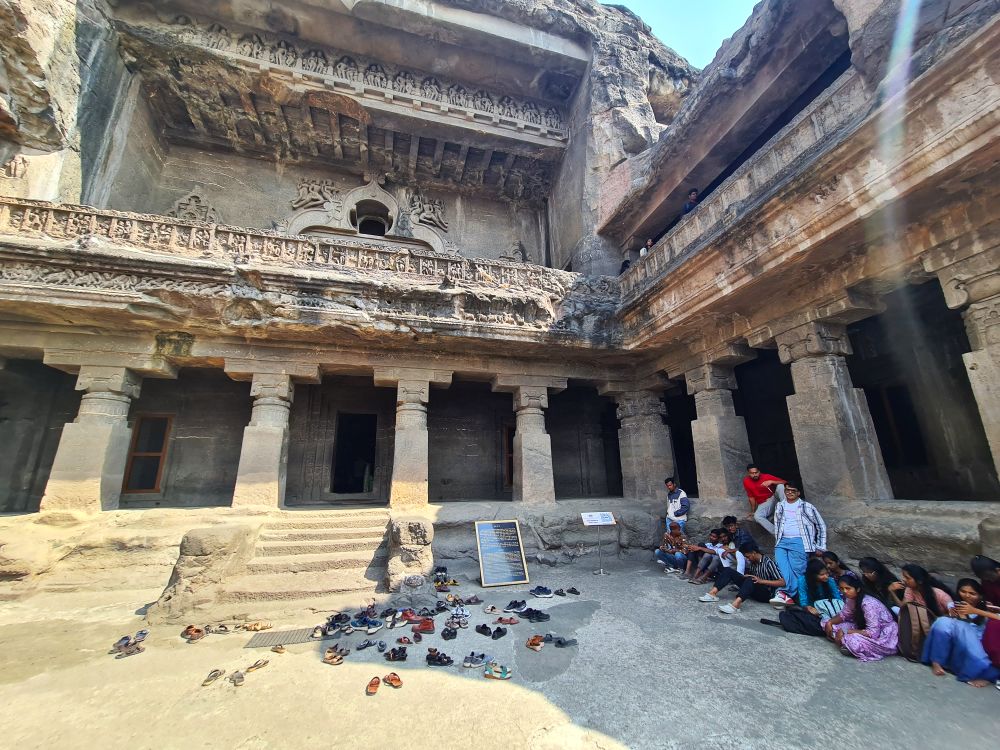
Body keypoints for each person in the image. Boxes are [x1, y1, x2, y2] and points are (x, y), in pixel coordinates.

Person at [922, 578, 1000, 687]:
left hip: (977, 642)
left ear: (980, 596)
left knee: (960, 626)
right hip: (959, 639)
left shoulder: (986, 609)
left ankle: (981, 674)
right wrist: (953, 616)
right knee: (942, 622)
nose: (967, 596)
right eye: (963, 592)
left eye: (972, 593)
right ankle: (936, 662)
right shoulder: (954, 605)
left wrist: (975, 611)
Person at [770, 484, 826, 607]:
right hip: (782, 541)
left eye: (793, 490)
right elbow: (778, 524)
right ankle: (787, 595)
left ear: (798, 493)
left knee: (798, 571)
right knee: (782, 568)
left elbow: (820, 525)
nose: (789, 493)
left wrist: (821, 545)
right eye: (787, 490)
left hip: (800, 541)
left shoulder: (807, 506)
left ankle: (789, 595)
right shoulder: (780, 505)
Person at [823, 572, 899, 661]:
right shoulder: (851, 598)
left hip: (883, 634)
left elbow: (873, 633)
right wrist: (830, 622)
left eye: (848, 588)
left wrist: (845, 631)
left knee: (852, 639)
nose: (844, 592)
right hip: (862, 627)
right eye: (842, 588)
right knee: (827, 623)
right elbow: (844, 614)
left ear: (858, 589)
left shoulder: (868, 603)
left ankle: (849, 645)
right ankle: (845, 643)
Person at [764, 558, 844, 636]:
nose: (826, 576)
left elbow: (838, 599)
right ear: (813, 575)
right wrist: (808, 608)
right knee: (793, 613)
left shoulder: (830, 581)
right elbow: (803, 601)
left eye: (827, 573)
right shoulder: (803, 580)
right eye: (822, 575)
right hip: (811, 610)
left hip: (828, 610)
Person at [699, 542, 783, 614]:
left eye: (747, 556)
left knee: (751, 579)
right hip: (754, 588)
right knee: (729, 571)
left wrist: (761, 581)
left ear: (753, 553)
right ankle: (712, 594)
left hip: (766, 594)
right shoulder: (754, 563)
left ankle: (735, 605)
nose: (747, 559)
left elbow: (782, 582)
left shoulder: (769, 563)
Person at [888, 564, 954, 616]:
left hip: (939, 624)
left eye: (907, 578)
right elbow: (903, 608)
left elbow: (953, 614)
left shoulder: (939, 593)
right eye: (903, 576)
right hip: (922, 622)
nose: (903, 579)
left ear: (919, 581)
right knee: (894, 609)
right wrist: (892, 592)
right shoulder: (910, 590)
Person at [742, 464, 786, 534]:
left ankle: (786, 508)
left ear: (759, 472)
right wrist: (753, 511)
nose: (754, 475)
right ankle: (777, 533)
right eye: (752, 473)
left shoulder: (766, 476)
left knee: (780, 486)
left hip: (774, 497)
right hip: (764, 503)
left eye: (756, 472)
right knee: (757, 516)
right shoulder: (746, 481)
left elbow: (784, 482)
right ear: (748, 473)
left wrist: (771, 481)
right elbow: (751, 497)